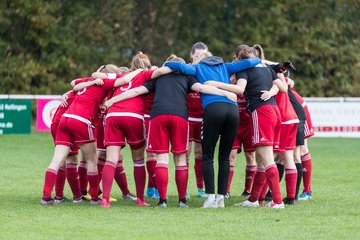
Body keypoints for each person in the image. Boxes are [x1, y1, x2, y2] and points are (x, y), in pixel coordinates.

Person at [104, 55, 237, 208]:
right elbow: (201, 88)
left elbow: (136, 91)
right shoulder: (187, 77)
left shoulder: (158, 78)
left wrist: (112, 100)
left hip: (158, 116)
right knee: (180, 160)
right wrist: (225, 93)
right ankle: (182, 201)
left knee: (162, 159)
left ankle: (163, 201)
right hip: (179, 117)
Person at [164, 49, 261, 208]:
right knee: (224, 157)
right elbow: (251, 61)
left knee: (207, 155)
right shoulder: (226, 66)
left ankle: (210, 198)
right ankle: (221, 199)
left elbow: (176, 65)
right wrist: (262, 61)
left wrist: (167, 64)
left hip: (213, 109)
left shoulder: (197, 68)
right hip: (232, 110)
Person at [40, 68, 141, 205]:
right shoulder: (105, 82)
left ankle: (46, 197)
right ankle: (94, 198)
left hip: (65, 120)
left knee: (57, 161)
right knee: (91, 161)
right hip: (80, 121)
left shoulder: (87, 80)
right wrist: (139, 70)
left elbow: (74, 84)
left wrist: (85, 85)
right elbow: (124, 80)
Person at [206, 46, 288, 208]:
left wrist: (216, 84)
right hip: (274, 112)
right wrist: (271, 92)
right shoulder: (264, 67)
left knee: (266, 159)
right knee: (261, 161)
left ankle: (278, 202)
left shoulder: (245, 68)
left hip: (261, 112)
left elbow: (240, 89)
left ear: (238, 59)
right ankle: (253, 200)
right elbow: (283, 87)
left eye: (235, 59)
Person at [98, 53, 174, 208]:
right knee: (138, 161)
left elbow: (98, 76)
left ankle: (105, 199)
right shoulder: (145, 74)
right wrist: (176, 66)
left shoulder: (120, 75)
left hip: (113, 115)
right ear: (144, 66)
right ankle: (140, 199)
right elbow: (159, 73)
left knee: (111, 159)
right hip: (133, 116)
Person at [187, 42, 209, 198]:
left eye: (203, 55)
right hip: (187, 117)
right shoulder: (186, 69)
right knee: (184, 153)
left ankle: (200, 187)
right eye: (197, 55)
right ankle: (184, 190)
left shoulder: (208, 70)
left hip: (202, 118)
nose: (200, 58)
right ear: (192, 55)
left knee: (200, 153)